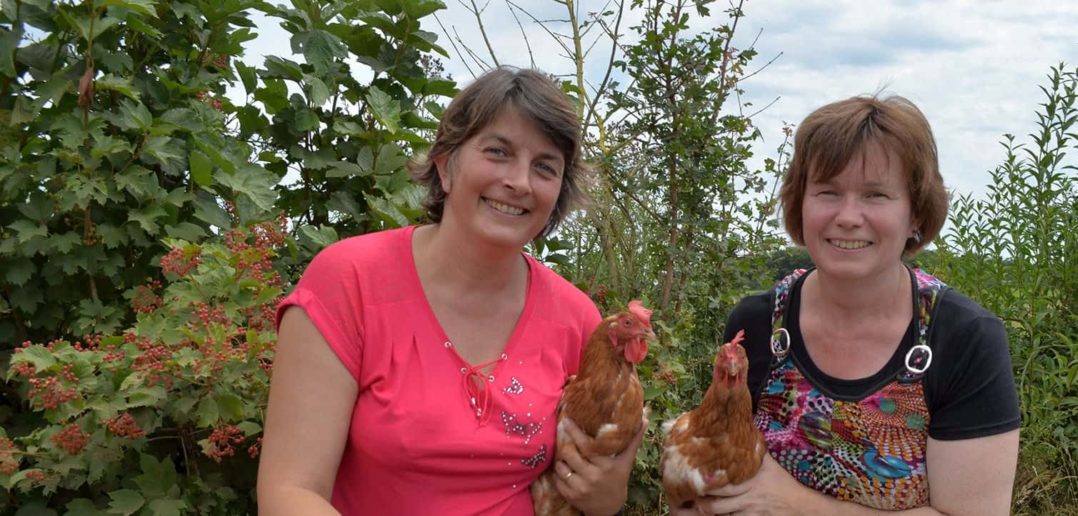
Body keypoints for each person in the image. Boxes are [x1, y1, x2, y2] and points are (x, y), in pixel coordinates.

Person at [257, 67, 643, 516]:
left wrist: (606, 495)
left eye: (545, 167)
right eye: (498, 152)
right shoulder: (349, 281)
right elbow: (290, 493)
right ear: (445, 165)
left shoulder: (577, 318)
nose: (520, 181)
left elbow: (592, 490)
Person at [694, 95, 1021, 515]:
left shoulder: (963, 338)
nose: (848, 216)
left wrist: (795, 504)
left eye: (875, 195)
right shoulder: (757, 324)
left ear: (916, 214)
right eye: (828, 192)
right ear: (800, 204)